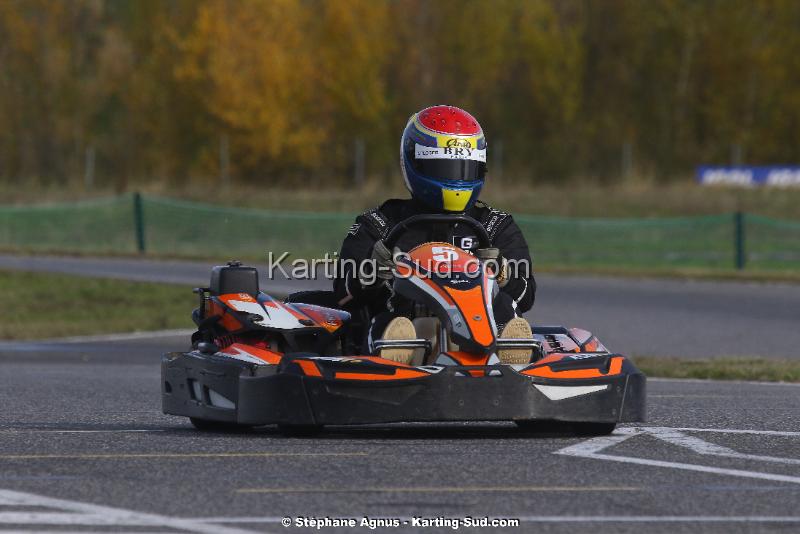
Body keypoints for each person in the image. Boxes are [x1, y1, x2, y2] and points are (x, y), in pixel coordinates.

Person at [334, 105, 536, 364]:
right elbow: (342, 293)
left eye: (466, 168)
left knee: (504, 308)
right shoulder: (380, 223)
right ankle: (398, 351)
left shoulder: (495, 225)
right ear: (414, 161)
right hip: (405, 331)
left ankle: (510, 348)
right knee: (392, 317)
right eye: (443, 166)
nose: (455, 178)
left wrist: (503, 273)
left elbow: (526, 295)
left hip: (481, 342)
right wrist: (371, 272)